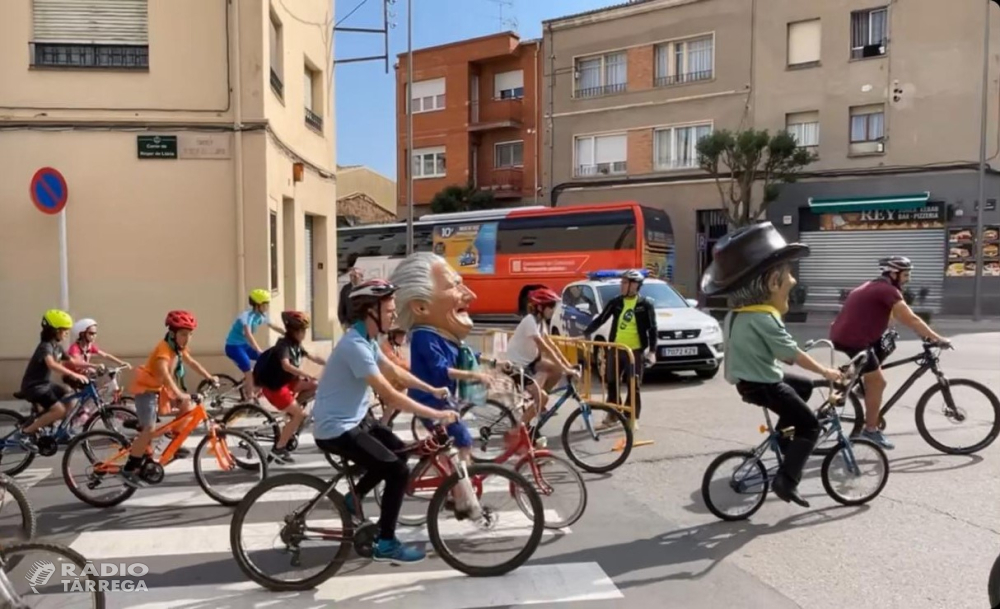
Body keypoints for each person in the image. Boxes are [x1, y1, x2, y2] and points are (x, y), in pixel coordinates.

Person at [312, 278, 459, 564]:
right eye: (389, 309)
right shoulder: (354, 346)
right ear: (370, 311)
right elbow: (390, 394)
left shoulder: (366, 340)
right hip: (336, 429)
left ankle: (353, 499)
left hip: (357, 419)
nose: (393, 314)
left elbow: (396, 373)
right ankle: (386, 543)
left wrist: (432, 390)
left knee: (400, 455)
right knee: (397, 472)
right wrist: (437, 414)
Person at [702, 222, 842, 508]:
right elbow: (791, 353)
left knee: (801, 387)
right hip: (764, 385)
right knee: (811, 426)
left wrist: (816, 378)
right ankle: (786, 481)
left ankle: (784, 439)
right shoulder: (763, 318)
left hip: (751, 381)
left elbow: (777, 354)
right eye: (788, 274)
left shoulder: (738, 315)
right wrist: (827, 372)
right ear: (772, 283)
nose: (792, 281)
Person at [830, 256, 951, 450]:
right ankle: (870, 431)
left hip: (845, 335)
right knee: (879, 382)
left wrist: (910, 332)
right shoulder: (888, 290)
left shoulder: (872, 286)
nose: (908, 279)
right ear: (893, 274)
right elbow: (910, 318)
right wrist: (937, 338)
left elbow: (887, 315)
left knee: (886, 345)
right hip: (854, 340)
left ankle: (860, 385)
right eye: (905, 274)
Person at [389, 253, 492, 463]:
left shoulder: (441, 335)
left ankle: (450, 486)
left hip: (443, 400)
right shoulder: (424, 336)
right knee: (463, 441)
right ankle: (459, 488)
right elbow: (440, 369)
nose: (471, 295)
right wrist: (474, 375)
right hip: (430, 402)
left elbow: (465, 356)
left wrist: (497, 363)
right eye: (454, 286)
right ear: (421, 307)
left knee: (449, 447)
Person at [124, 311, 218, 488]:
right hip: (147, 392)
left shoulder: (177, 348)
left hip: (159, 391)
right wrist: (179, 393)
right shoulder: (163, 349)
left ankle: (173, 441)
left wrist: (209, 376)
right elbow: (164, 374)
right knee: (149, 430)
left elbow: (191, 362)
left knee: (188, 407)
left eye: (190, 334)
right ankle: (129, 469)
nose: (187, 338)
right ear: (173, 334)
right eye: (183, 334)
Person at [582, 269, 658, 428]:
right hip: (615, 349)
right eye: (621, 282)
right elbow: (602, 318)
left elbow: (652, 329)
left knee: (633, 384)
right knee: (612, 382)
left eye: (624, 283)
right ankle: (613, 415)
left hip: (634, 351)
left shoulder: (645, 305)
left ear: (635, 285)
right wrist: (586, 333)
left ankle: (632, 417)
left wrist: (652, 352)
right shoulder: (616, 302)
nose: (621, 286)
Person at [504, 287, 579, 440]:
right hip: (515, 366)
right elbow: (544, 347)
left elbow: (551, 345)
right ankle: (518, 431)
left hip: (530, 363)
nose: (553, 310)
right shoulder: (530, 321)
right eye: (551, 306)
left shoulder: (540, 322)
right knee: (543, 396)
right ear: (540, 307)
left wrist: (567, 366)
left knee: (555, 371)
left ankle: (536, 403)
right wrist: (566, 368)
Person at [252, 310, 326, 464]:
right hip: (275, 389)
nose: (304, 333)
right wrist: (305, 373)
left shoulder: (295, 344)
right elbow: (285, 365)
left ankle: (292, 413)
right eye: (302, 330)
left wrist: (331, 363)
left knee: (315, 385)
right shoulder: (283, 345)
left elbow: (313, 356)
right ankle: (279, 448)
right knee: (300, 416)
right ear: (294, 331)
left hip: (287, 383)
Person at [17, 310, 90, 452]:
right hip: (34, 386)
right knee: (58, 410)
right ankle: (25, 433)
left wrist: (94, 366)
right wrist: (73, 375)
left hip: (45, 384)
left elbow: (74, 361)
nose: (67, 333)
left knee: (70, 396)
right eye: (65, 330)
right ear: (55, 331)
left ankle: (61, 432)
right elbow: (52, 364)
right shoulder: (46, 346)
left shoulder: (56, 346)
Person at [224, 289, 284, 400]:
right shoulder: (247, 316)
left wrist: (288, 334)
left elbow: (274, 326)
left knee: (267, 361)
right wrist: (258, 349)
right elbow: (248, 334)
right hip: (233, 347)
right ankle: (250, 398)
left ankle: (251, 385)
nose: (267, 307)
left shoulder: (262, 315)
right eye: (265, 304)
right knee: (248, 371)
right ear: (258, 305)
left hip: (244, 346)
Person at [67, 318, 131, 375]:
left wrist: (120, 362)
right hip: (72, 376)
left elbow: (105, 355)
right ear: (82, 334)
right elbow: (78, 363)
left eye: (95, 333)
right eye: (91, 333)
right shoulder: (75, 348)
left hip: (84, 375)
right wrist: (94, 366)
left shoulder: (90, 346)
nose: (94, 336)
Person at [378, 326, 409, 427]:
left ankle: (388, 420)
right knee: (394, 399)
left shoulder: (396, 347)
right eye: (401, 337)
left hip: (392, 379)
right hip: (382, 379)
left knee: (403, 400)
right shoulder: (385, 347)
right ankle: (384, 422)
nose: (404, 339)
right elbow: (395, 362)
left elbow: (403, 361)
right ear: (393, 336)